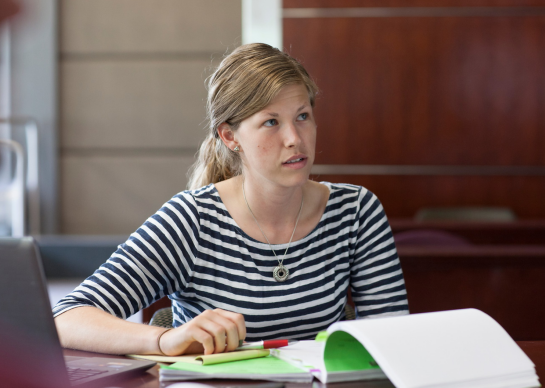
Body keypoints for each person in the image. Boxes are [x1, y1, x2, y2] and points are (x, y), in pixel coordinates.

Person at [53, 43, 408, 357]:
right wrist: (165, 340)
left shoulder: (356, 210)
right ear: (229, 136)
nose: (294, 139)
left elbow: (392, 338)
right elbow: (65, 318)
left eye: (303, 116)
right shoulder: (192, 220)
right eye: (271, 122)